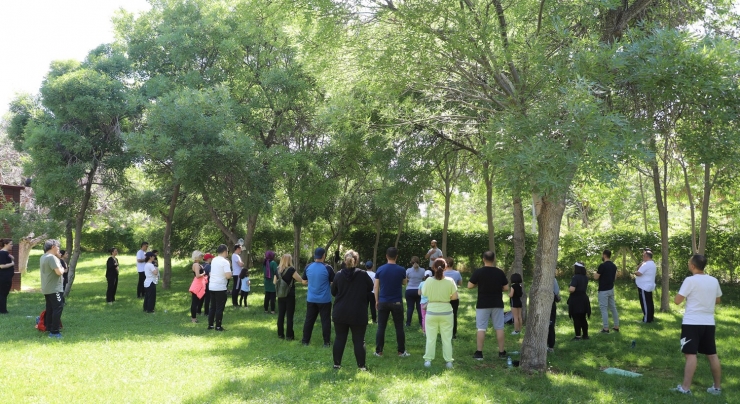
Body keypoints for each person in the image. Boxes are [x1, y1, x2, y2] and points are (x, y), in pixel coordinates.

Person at [671, 254, 723, 395]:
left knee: (690, 354)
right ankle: (717, 388)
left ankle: (685, 388)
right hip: (708, 323)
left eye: (689, 263)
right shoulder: (714, 280)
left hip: (692, 322)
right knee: (712, 354)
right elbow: (718, 300)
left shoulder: (690, 280)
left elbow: (677, 300)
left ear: (693, 266)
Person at [331, 250, 374, 370]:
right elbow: (370, 287)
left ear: (345, 260)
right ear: (357, 261)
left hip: (340, 311)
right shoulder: (363, 274)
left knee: (339, 338)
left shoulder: (338, 275)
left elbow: (333, 292)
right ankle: (362, 367)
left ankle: (337, 365)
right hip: (358, 312)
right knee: (359, 340)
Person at [467, 251, 509, 360]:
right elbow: (506, 288)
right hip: (497, 303)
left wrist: (479, 284)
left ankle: (479, 352)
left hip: (483, 303)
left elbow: (469, 286)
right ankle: (501, 352)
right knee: (499, 327)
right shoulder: (499, 272)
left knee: (481, 328)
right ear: (494, 259)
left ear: (483, 259)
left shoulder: (479, 272)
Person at [422, 258, 458, 368]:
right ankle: (448, 361)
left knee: (431, 338)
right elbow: (455, 297)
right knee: (447, 338)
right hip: (446, 311)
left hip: (432, 311)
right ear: (445, 267)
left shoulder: (428, 281)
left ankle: (428, 360)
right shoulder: (450, 281)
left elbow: (424, 293)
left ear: (433, 268)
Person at [374, 247, 410, 357]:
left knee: (381, 327)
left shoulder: (380, 269)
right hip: (397, 302)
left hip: (383, 301)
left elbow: (376, 286)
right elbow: (404, 282)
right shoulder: (401, 269)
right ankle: (401, 351)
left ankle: (379, 351)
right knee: (399, 327)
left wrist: (376, 300)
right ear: (397, 257)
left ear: (386, 256)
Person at [301, 247, 335, 347]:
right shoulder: (328, 268)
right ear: (324, 256)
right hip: (324, 300)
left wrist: (311, 281)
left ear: (315, 255)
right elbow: (334, 282)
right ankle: (326, 342)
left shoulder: (308, 267)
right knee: (325, 321)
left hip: (311, 299)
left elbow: (303, 281)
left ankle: (305, 341)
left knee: (309, 320)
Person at [40, 239, 64, 338]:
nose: (59, 249)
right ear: (53, 247)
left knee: (50, 308)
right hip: (55, 288)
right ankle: (54, 332)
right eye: (58, 246)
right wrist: (62, 268)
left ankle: (49, 327)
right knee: (58, 308)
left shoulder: (43, 256)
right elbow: (59, 272)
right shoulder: (52, 258)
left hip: (47, 288)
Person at [275, 253, 302, 340]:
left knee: (281, 315)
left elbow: (274, 282)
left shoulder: (277, 270)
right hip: (290, 295)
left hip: (280, 295)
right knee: (289, 316)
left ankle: (280, 334)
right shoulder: (291, 270)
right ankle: (289, 335)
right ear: (290, 260)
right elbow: (300, 280)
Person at [594, 249, 620, 333]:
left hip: (603, 290)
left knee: (603, 309)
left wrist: (594, 273)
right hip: (611, 289)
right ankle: (616, 326)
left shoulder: (602, 266)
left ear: (604, 255)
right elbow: (615, 278)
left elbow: (596, 277)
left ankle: (605, 328)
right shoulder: (614, 266)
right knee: (613, 308)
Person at [208, 244, 232, 331]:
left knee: (212, 306)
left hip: (212, 286)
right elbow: (228, 275)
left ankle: (210, 325)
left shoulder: (214, 260)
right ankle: (218, 326)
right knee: (219, 307)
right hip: (220, 287)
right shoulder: (225, 262)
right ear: (225, 251)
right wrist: (231, 273)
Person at [568, 262, 591, 340]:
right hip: (584, 298)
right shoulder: (585, 277)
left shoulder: (575, 277)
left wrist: (569, 288)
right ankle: (585, 335)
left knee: (576, 318)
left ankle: (578, 336)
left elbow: (572, 289)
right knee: (583, 318)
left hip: (576, 299)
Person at [443, 257, 462, 339]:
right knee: (454, 315)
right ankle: (453, 334)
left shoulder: (442, 273)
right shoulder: (457, 273)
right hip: (454, 297)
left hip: (444, 297)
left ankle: (444, 332)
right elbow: (460, 283)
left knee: (443, 315)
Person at [635, 249, 656, 323]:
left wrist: (635, 272)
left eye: (643, 255)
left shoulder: (646, 264)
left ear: (646, 256)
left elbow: (639, 272)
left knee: (645, 303)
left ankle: (646, 319)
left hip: (644, 286)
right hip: (648, 286)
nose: (642, 257)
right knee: (649, 302)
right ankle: (651, 317)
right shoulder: (652, 263)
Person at [405, 256, 424, 328]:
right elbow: (424, 278)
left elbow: (405, 280)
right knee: (419, 308)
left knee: (410, 308)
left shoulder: (408, 270)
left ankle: (408, 323)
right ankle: (421, 322)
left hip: (409, 290)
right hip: (419, 291)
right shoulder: (422, 270)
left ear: (411, 262)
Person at [190, 250, 207, 323]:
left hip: (200, 283)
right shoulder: (196, 265)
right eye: (200, 256)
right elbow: (197, 275)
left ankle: (194, 317)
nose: (202, 257)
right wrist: (204, 273)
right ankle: (193, 318)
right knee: (195, 302)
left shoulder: (197, 264)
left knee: (197, 301)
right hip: (197, 284)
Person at [0, 238, 16, 314]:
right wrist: (12, 264)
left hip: (7, 277)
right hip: (4, 277)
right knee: (3, 293)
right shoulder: (2, 253)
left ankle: (3, 309)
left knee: (4, 293)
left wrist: (10, 256)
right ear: (5, 244)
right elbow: (2, 266)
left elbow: (13, 258)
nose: (12, 246)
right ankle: (3, 310)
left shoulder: (5, 253)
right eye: (10, 244)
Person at [547, 277, 561, 353]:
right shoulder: (553, 279)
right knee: (550, 324)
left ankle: (550, 345)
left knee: (550, 325)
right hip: (550, 302)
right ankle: (550, 346)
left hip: (546, 303)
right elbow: (556, 291)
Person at [418, 269, 433, 335]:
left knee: (424, 317)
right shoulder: (433, 284)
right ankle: (431, 330)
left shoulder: (421, 283)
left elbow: (419, 293)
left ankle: (424, 331)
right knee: (431, 317)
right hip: (431, 302)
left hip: (423, 302)